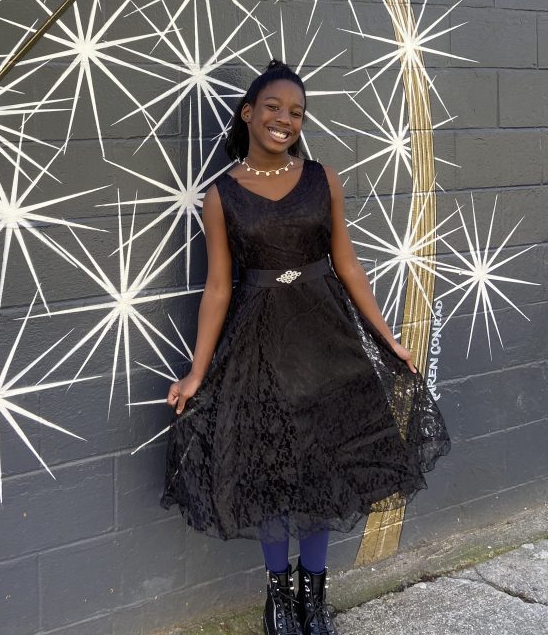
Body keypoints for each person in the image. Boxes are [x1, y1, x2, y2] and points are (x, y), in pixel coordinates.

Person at [160, 60, 450, 635]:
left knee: (322, 465)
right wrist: (196, 372)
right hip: (259, 345)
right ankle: (280, 598)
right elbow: (218, 286)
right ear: (248, 113)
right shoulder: (221, 196)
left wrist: (387, 336)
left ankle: (314, 595)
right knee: (269, 470)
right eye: (272, 107)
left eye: (296, 112)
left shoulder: (323, 178)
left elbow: (347, 263)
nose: (284, 119)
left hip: (325, 338)